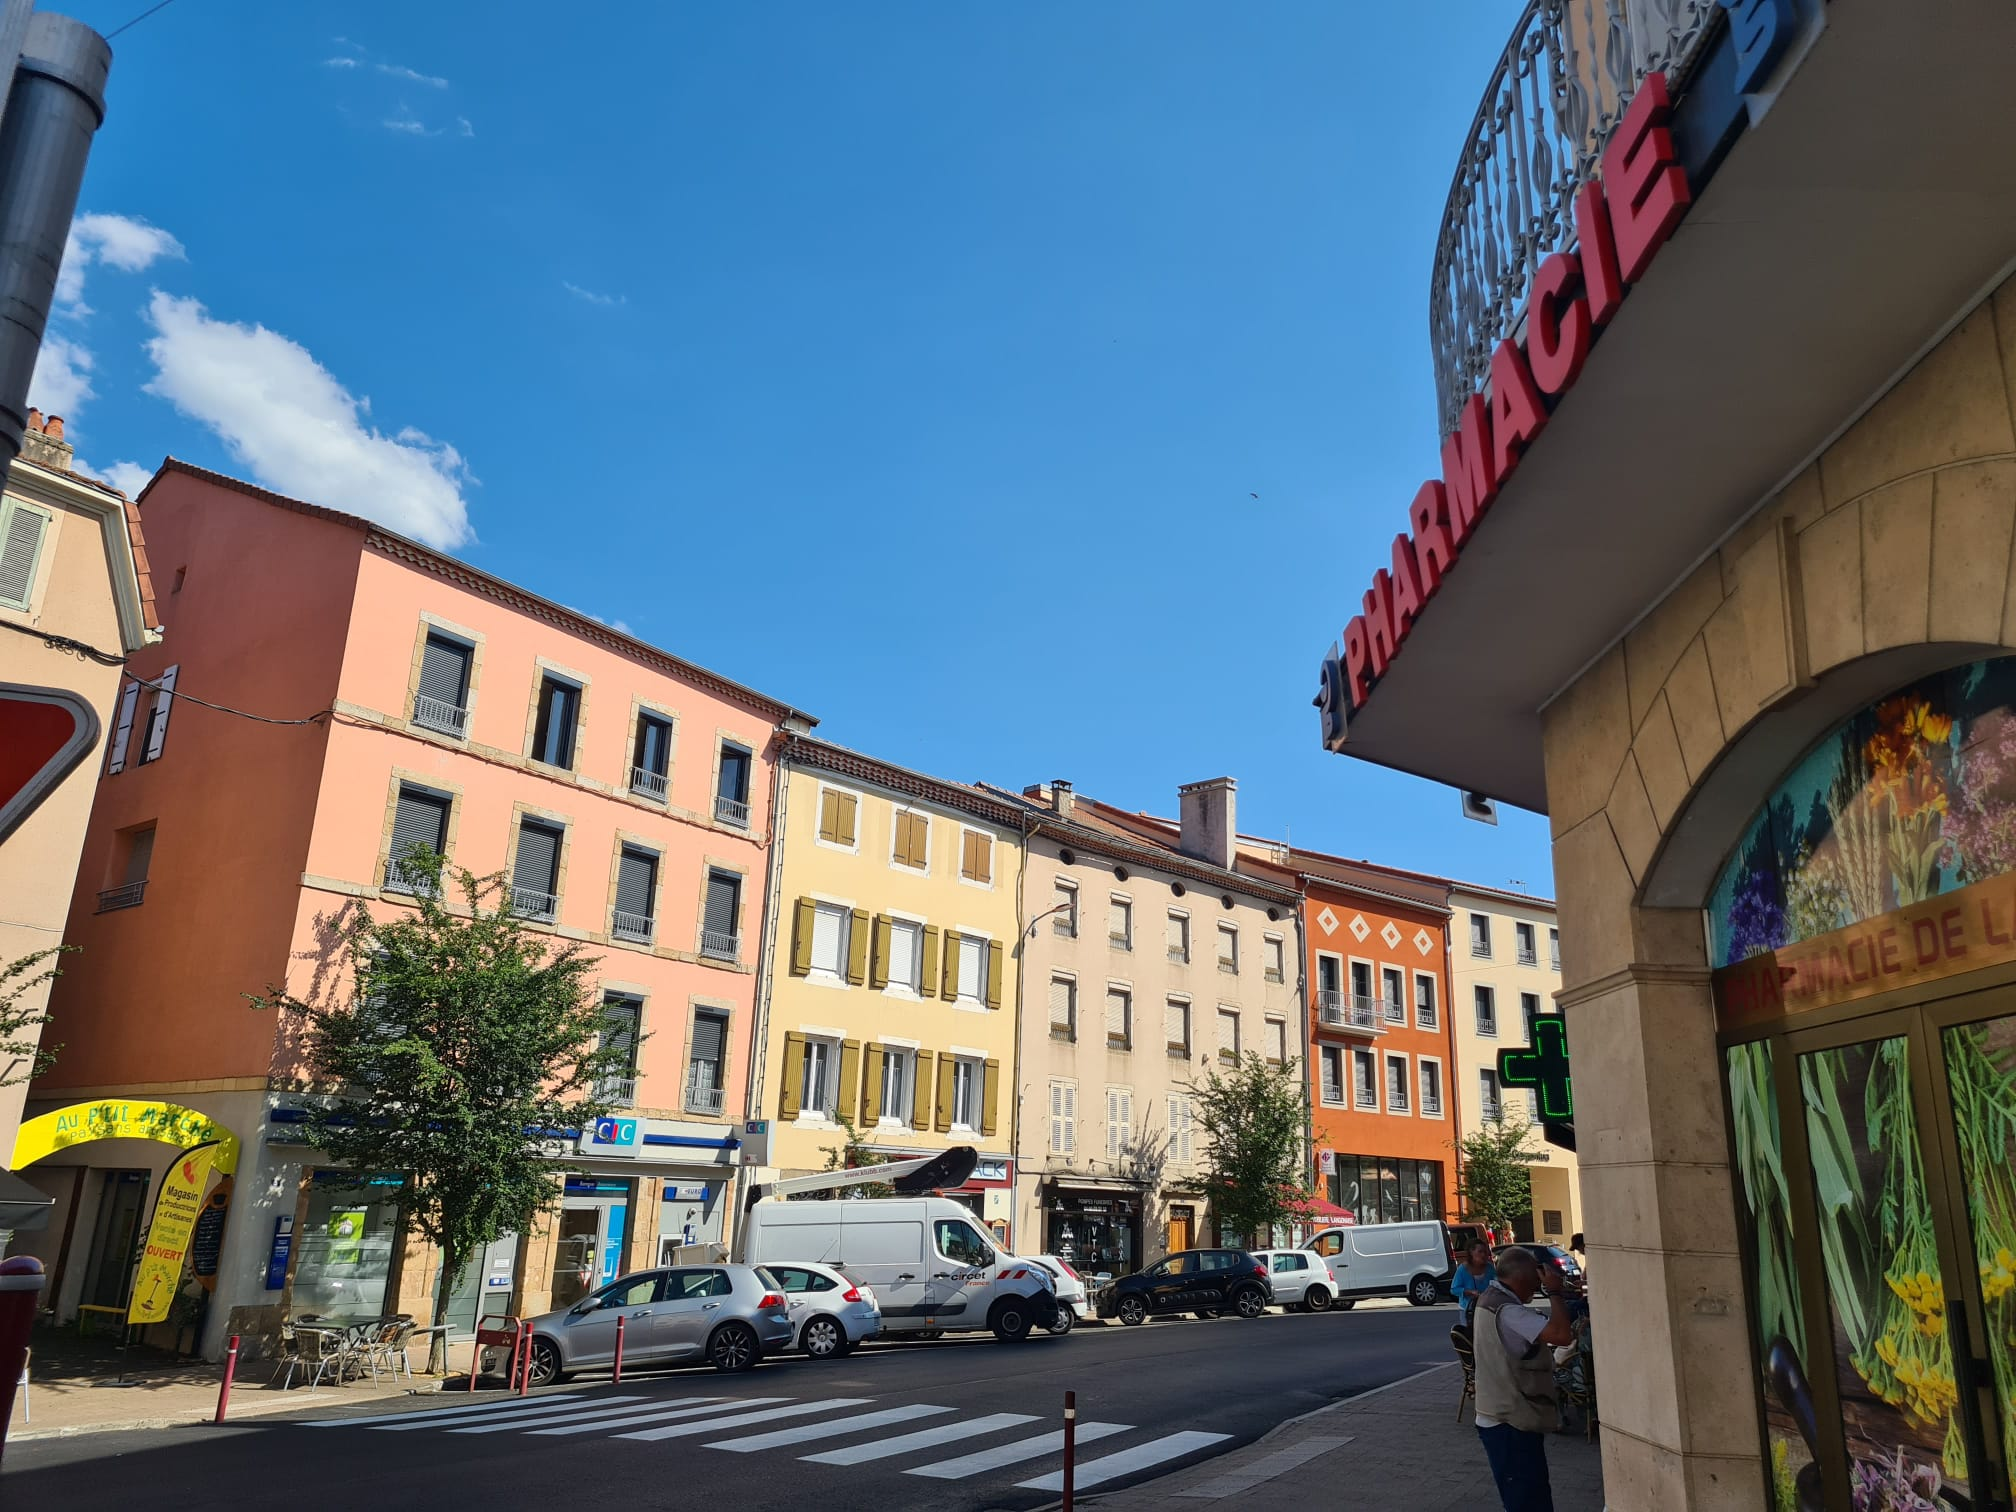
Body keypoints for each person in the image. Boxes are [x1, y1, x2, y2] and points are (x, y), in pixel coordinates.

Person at [1474, 1246, 1575, 1511]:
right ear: (1522, 1278)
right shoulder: (1508, 1312)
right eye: (1535, 1280)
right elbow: (1563, 1335)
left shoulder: (1490, 1299)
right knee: (1529, 1501)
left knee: (1527, 1496)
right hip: (1510, 1421)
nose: (1536, 1286)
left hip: (1502, 1417)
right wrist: (1554, 1291)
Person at [1451, 1239, 1495, 1328]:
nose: (1483, 1255)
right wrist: (1470, 1292)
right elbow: (1454, 1289)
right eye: (1480, 1251)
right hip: (1468, 1310)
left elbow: (1497, 1283)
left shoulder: (1490, 1268)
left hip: (1486, 1309)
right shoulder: (1462, 1269)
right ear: (1471, 1252)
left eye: (1485, 1252)